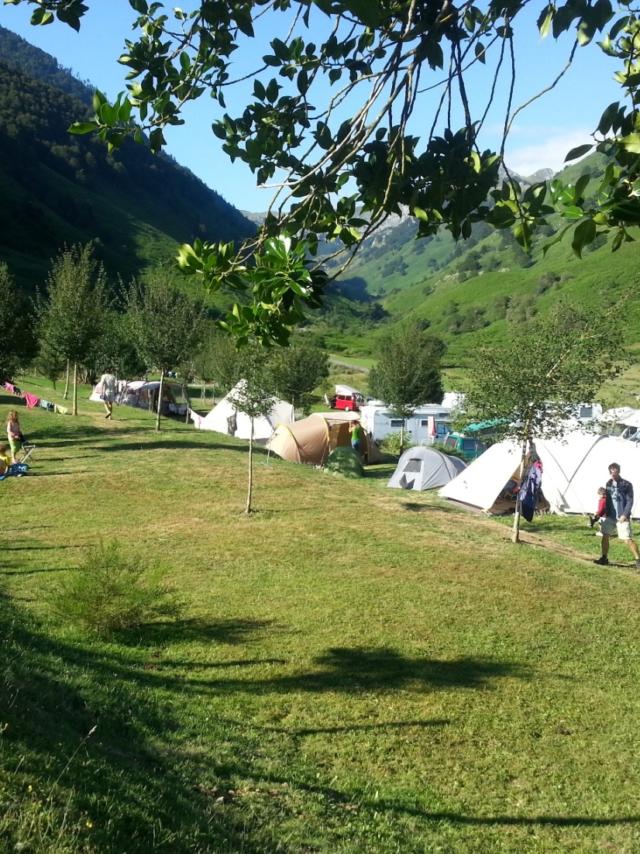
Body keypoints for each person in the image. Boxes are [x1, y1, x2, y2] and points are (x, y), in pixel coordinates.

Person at [594, 463, 640, 568]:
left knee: (627, 539)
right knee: (605, 535)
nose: (613, 474)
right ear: (609, 472)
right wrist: (601, 513)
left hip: (622, 516)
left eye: (615, 472)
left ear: (618, 471)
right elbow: (608, 500)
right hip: (610, 516)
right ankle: (604, 558)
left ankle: (638, 560)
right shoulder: (608, 484)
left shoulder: (626, 484)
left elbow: (630, 501)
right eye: (611, 472)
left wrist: (625, 514)